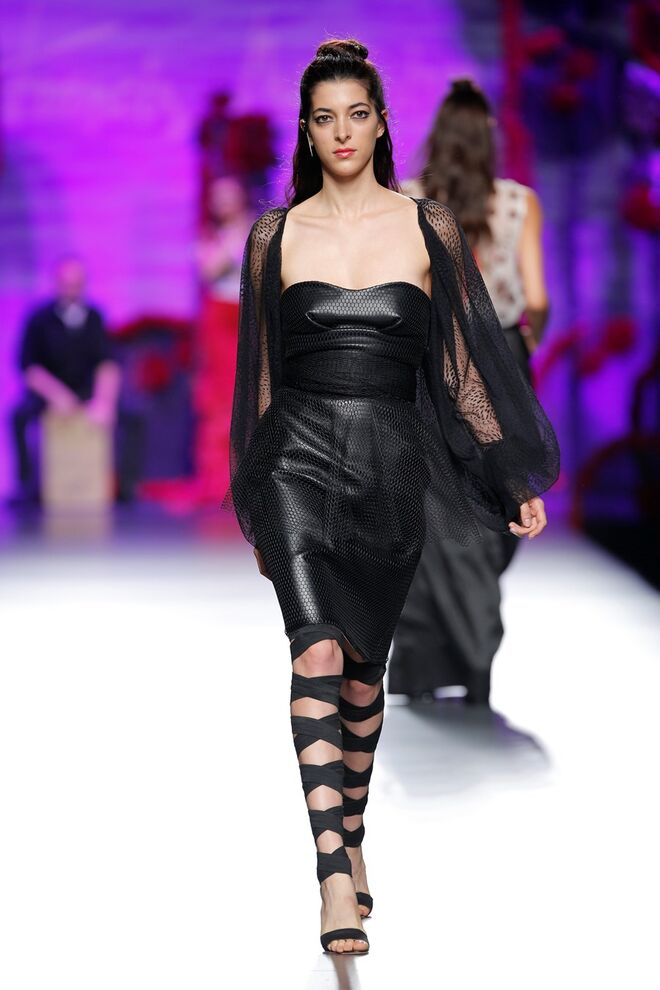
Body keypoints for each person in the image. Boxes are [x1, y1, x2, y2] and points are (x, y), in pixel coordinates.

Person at [225, 40, 559, 955]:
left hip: (391, 464)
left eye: (356, 114)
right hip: (296, 460)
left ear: (379, 124)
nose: (341, 132)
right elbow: (260, 376)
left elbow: (460, 369)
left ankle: (354, 834)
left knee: (363, 673)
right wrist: (255, 492)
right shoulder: (275, 236)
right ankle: (333, 873)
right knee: (315, 648)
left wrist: (505, 472)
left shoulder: (427, 227)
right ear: (308, 132)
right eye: (323, 117)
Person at [390, 79, 550, 705]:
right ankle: (472, 648)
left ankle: (430, 663)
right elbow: (536, 297)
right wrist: (528, 344)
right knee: (501, 499)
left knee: (434, 507)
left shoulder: (408, 201)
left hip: (432, 363)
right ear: (488, 139)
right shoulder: (518, 203)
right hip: (504, 356)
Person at [10, 257, 140, 504]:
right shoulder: (39, 319)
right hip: (49, 391)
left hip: (86, 390)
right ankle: (26, 486)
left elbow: (107, 363)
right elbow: (29, 367)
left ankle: (126, 488)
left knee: (134, 418)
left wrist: (104, 401)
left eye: (77, 283)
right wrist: (56, 395)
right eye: (67, 283)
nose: (72, 289)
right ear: (57, 283)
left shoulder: (94, 317)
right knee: (18, 417)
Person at [195, 176, 254, 501]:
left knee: (252, 388)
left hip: (249, 312)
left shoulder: (259, 229)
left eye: (228, 195)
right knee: (223, 394)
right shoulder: (211, 236)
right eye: (217, 197)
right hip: (220, 317)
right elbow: (209, 270)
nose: (223, 203)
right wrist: (234, 240)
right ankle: (220, 478)